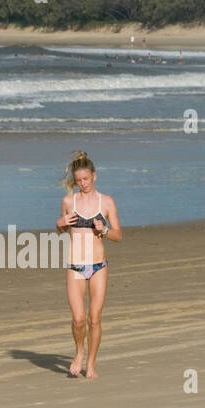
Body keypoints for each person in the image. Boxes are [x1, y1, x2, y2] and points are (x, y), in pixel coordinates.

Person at [56, 150, 121, 379]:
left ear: (94, 176)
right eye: (78, 180)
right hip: (75, 266)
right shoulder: (68, 201)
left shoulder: (107, 202)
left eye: (86, 179)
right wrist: (60, 223)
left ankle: (91, 363)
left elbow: (118, 235)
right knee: (78, 319)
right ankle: (79, 353)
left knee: (94, 318)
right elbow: (62, 228)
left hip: (98, 267)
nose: (82, 183)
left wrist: (104, 229)